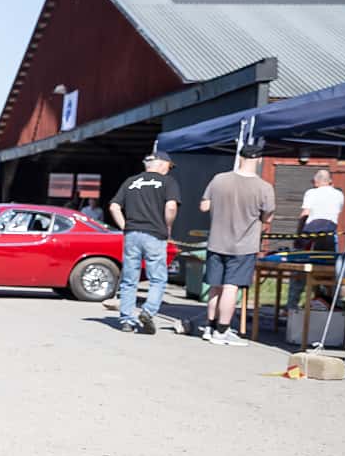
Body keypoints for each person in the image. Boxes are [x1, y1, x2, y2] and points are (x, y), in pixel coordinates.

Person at [198, 140, 275, 345]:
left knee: (215, 287)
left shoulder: (219, 179)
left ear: (240, 157)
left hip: (216, 241)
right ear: (259, 160)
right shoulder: (264, 187)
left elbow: (204, 206)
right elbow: (267, 218)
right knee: (231, 288)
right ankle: (222, 331)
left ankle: (209, 327)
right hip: (243, 245)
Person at [108, 152, 180, 334]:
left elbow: (114, 207)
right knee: (157, 278)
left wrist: (125, 226)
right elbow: (171, 206)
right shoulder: (168, 182)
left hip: (132, 234)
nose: (169, 170)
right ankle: (148, 311)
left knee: (129, 279)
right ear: (162, 164)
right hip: (155, 234)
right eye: (169, 166)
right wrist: (167, 226)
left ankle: (126, 320)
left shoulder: (130, 181)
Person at [297, 168, 343, 251]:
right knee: (327, 256)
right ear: (330, 181)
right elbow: (338, 212)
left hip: (312, 228)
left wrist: (299, 233)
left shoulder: (311, 192)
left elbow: (305, 213)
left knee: (305, 254)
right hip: (330, 229)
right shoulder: (339, 194)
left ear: (316, 181)